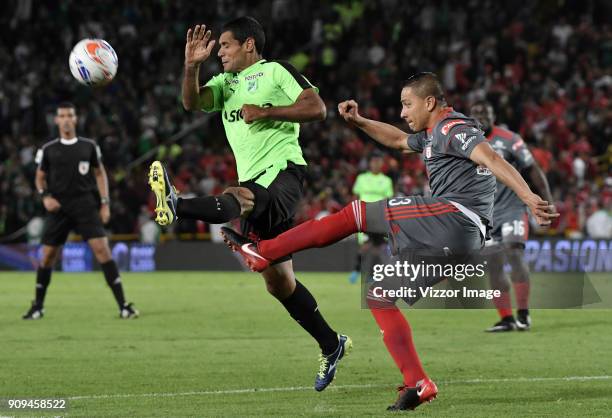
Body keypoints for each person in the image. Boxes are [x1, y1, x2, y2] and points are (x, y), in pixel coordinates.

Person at [221, 72, 558, 410]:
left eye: (407, 104)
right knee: (379, 294)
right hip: (461, 238)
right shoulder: (430, 135)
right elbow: (398, 140)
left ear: (429, 103)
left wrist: (528, 198)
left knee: (355, 214)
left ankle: (264, 251)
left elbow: (493, 158)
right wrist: (360, 121)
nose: (402, 112)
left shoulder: (453, 128)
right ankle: (418, 383)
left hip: (455, 218)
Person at [147, 17, 350, 391]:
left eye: (225, 45)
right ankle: (331, 343)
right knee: (278, 284)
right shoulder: (225, 85)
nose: (219, 53)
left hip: (284, 172)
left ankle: (179, 205)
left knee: (239, 198)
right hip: (255, 184)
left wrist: (267, 110)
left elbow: (316, 108)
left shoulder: (275, 71)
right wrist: (191, 66)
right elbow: (191, 103)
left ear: (249, 45)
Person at [23, 102, 139, 320]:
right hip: (59, 206)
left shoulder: (88, 146)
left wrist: (105, 202)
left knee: (103, 251)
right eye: (62, 115)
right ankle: (37, 306)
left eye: (70, 115)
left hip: (85, 204)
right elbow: (39, 177)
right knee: (47, 257)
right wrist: (44, 196)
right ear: (56, 120)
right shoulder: (48, 149)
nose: (66, 119)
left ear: (75, 119)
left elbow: (100, 174)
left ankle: (124, 306)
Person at [470, 101, 555, 332]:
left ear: (493, 114)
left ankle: (523, 313)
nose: (481, 117)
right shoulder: (464, 143)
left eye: (485, 112)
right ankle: (506, 318)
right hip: (485, 215)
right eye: (476, 113)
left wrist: (546, 201)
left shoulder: (509, 139)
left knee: (514, 253)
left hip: (512, 208)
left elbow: (533, 170)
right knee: (494, 265)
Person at [348, 152, 394, 283]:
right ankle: (357, 271)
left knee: (376, 247)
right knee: (365, 246)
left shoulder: (386, 181)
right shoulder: (362, 178)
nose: (376, 164)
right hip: (363, 216)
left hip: (378, 217)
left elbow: (387, 200)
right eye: (374, 161)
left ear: (382, 164)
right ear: (370, 163)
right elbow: (355, 197)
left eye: (378, 161)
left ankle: (371, 275)